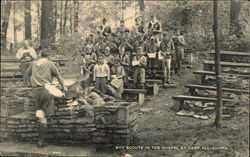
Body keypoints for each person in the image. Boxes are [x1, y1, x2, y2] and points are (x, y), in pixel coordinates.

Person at [27, 50, 67, 148]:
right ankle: (41, 141)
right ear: (48, 56)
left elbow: (28, 75)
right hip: (46, 91)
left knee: (40, 115)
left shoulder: (33, 63)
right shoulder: (50, 63)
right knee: (44, 117)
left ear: (40, 56)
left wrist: (30, 85)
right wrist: (64, 87)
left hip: (36, 92)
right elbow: (59, 77)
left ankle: (39, 138)